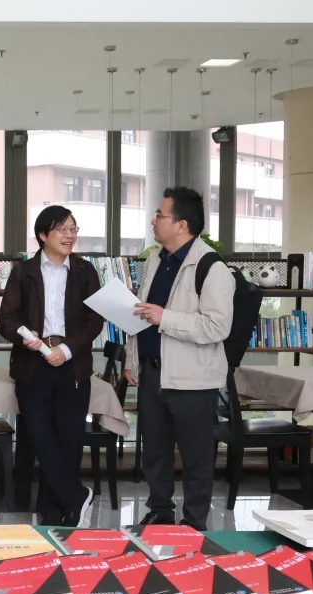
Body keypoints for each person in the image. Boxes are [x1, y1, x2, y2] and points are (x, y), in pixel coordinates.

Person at [124, 187, 233, 531]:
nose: (153, 221)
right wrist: (132, 359)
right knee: (155, 454)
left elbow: (217, 327)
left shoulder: (211, 267)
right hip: (152, 373)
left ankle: (194, 523)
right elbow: (142, 312)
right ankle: (160, 513)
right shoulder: (157, 259)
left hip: (192, 379)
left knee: (196, 457)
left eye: (160, 215)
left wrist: (165, 317)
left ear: (182, 224)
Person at [0, 205, 103, 527]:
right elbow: (6, 320)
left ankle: (58, 511)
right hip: (33, 364)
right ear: (43, 235)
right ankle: (75, 495)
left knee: (68, 439)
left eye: (73, 229)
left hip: (72, 365)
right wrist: (26, 337)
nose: (70, 235)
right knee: (40, 436)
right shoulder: (23, 272)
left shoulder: (85, 271)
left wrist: (66, 350)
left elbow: (94, 320)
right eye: (62, 229)